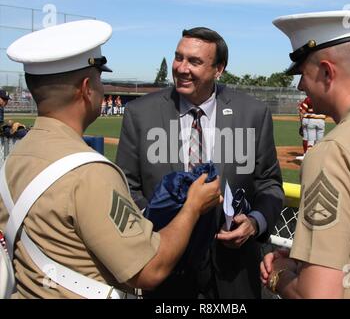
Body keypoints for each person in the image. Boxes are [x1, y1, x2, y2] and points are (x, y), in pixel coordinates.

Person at [1, 20, 222, 299]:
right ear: (85, 88)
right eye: (98, 79)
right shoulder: (90, 173)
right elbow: (149, 269)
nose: (101, 89)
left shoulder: (16, 155)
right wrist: (193, 207)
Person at [116, 27, 284, 299]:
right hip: (166, 270)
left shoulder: (252, 113)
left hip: (234, 273)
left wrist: (254, 222)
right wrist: (158, 225)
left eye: (194, 61)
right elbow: (125, 186)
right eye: (178, 57)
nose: (182, 68)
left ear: (219, 69)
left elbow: (269, 184)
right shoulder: (140, 114)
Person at [261, 10, 350, 298]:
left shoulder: (332, 153)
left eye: (303, 74)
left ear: (327, 72)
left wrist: (278, 275)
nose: (300, 86)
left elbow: (317, 295)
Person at [296, 96, 326, 161]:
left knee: (311, 140)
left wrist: (301, 125)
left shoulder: (309, 98)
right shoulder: (324, 98)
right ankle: (319, 157)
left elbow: (302, 111)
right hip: (321, 120)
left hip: (311, 120)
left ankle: (308, 157)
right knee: (320, 141)